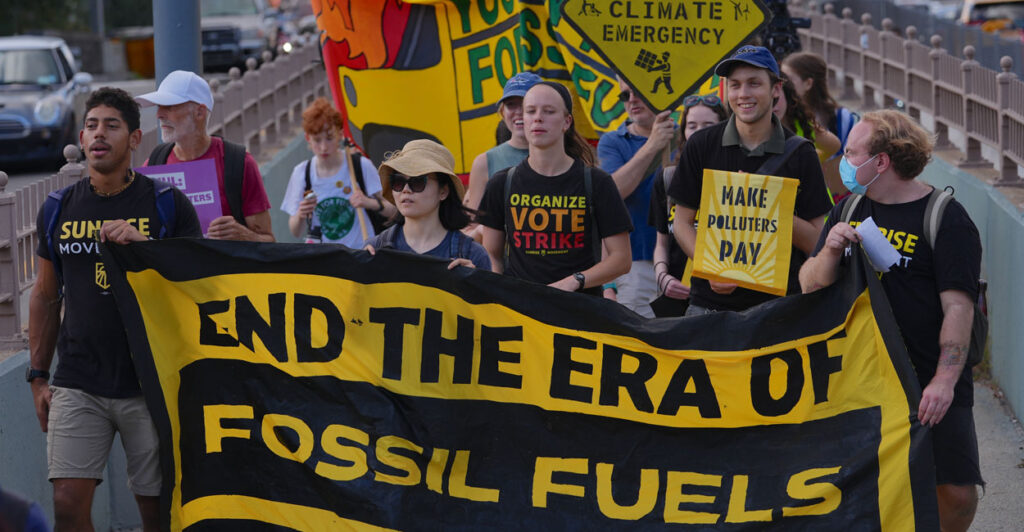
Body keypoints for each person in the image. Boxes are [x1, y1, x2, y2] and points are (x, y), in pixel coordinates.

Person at [799, 110, 982, 532]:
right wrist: (829, 252)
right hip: (862, 375)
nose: (844, 162)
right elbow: (808, 286)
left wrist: (944, 381)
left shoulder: (946, 217)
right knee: (872, 484)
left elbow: (959, 307)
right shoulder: (847, 209)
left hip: (927, 374)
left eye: (851, 153)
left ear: (881, 161)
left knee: (955, 492)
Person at [28, 87, 202, 531]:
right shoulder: (57, 209)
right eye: (91, 126)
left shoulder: (166, 205)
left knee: (157, 510)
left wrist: (147, 247)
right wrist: (38, 376)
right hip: (78, 381)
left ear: (135, 138)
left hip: (151, 382)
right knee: (67, 504)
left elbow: (195, 286)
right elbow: (45, 296)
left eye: (111, 125)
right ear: (81, 140)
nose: (99, 134)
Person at [668, 46, 832, 314]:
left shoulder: (802, 153)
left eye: (754, 83)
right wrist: (710, 267)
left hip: (780, 309)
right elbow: (682, 222)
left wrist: (765, 204)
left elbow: (817, 242)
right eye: (735, 85)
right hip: (709, 307)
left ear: (776, 89)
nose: (743, 94)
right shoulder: (701, 144)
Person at [477, 81, 633, 296]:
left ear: (566, 121)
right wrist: (498, 293)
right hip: (522, 308)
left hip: (580, 307)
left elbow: (621, 259)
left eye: (549, 111)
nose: (538, 118)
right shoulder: (501, 183)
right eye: (530, 111)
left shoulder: (597, 182)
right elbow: (492, 255)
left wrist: (575, 281)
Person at [135, 70, 274, 241]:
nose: (159, 115)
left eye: (169, 106)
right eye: (159, 107)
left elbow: (269, 241)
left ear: (199, 112)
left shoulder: (238, 163)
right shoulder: (154, 164)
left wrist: (243, 235)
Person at [596, 76, 678, 316]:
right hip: (636, 264)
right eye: (625, 95)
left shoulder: (686, 134)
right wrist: (653, 144)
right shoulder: (612, 141)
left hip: (684, 261)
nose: (631, 100)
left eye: (639, 92)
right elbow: (613, 193)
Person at [647, 93, 727, 317]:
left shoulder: (734, 178)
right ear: (683, 132)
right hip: (677, 297)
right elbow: (661, 243)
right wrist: (662, 277)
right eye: (692, 126)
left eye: (708, 125)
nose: (698, 132)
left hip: (721, 297)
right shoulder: (668, 178)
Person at [280, 98, 396, 246]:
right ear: (308, 138)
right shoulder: (302, 173)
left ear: (340, 134)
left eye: (329, 138)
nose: (323, 147)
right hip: (324, 255)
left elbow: (393, 210)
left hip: (360, 251)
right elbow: (295, 232)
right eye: (317, 140)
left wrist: (369, 203)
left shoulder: (360, 166)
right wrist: (301, 214)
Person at [364, 139, 490, 270]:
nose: (406, 189)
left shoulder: (472, 255)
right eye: (398, 182)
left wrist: (473, 279)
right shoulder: (374, 249)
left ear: (443, 192)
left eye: (417, 182)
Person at [782, 52, 859, 201]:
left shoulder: (841, 117)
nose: (783, 84)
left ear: (808, 83)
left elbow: (847, 158)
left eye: (788, 79)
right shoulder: (782, 114)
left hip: (836, 194)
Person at [464, 72, 541, 211]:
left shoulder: (567, 156)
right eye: (511, 105)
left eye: (526, 104)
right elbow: (473, 221)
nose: (518, 111)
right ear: (502, 113)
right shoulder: (484, 162)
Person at [774, 75, 841, 165]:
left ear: (787, 95)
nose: (772, 104)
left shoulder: (802, 124)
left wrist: (810, 161)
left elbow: (834, 146)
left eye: (776, 96)